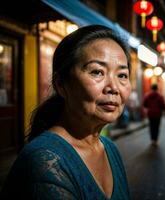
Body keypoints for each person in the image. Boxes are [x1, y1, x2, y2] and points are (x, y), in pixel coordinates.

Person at [1, 25, 131, 199]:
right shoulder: (45, 161)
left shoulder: (110, 149)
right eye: (97, 72)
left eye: (122, 75)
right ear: (61, 84)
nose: (114, 88)